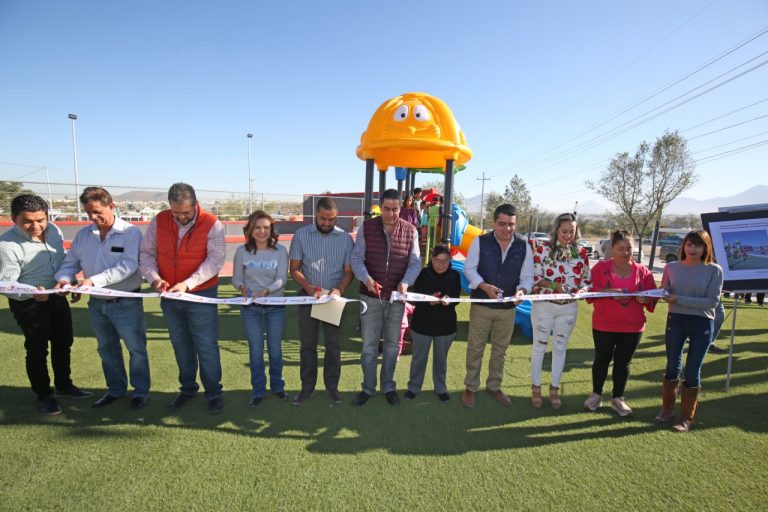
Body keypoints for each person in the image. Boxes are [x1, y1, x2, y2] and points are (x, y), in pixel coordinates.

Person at [54, 187, 150, 410]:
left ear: (111, 206)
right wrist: (64, 279)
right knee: (107, 348)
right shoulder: (84, 235)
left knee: (136, 349)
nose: (93, 218)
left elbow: (128, 266)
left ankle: (141, 392)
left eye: (97, 212)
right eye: (88, 213)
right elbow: (71, 262)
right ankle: (115, 390)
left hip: (126, 301)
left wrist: (92, 281)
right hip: (96, 303)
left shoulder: (131, 233)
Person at [0, 194, 92, 415]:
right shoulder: (6, 245)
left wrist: (68, 282)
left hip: (57, 296)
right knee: (37, 349)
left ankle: (64, 385)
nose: (36, 226)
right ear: (14, 219)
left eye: (41, 219)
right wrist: (31, 293)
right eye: (28, 221)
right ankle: (45, 395)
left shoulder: (54, 231)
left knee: (64, 342)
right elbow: (5, 283)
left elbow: (63, 262)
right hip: (29, 303)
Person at [139, 182, 226, 414]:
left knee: (206, 345)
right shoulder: (159, 220)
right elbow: (146, 254)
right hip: (169, 295)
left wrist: (188, 284)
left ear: (196, 204)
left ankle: (214, 392)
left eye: (186, 212)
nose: (181, 217)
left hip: (201, 294)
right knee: (180, 344)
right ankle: (187, 388)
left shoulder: (212, 224)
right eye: (176, 213)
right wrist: (155, 279)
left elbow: (215, 261)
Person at [351, 188, 421, 406]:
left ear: (401, 208)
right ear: (380, 208)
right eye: (387, 209)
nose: (391, 214)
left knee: (392, 344)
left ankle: (388, 386)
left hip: (396, 299)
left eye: (395, 209)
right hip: (370, 298)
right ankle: (368, 387)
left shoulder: (411, 231)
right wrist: (367, 279)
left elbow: (416, 262)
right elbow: (356, 258)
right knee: (369, 346)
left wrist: (405, 282)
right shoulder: (367, 228)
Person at [462, 204, 533, 408]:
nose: (507, 229)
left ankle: (494, 386)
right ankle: (470, 387)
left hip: (508, 309)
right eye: (502, 224)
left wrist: (523, 291)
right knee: (475, 348)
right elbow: (469, 269)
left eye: (511, 224)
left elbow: (527, 277)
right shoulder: (480, 241)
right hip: (481, 305)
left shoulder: (523, 246)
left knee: (500, 350)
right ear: (494, 222)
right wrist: (483, 286)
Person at [583, 230, 657, 417]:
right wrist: (608, 291)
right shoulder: (600, 268)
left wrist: (645, 299)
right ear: (612, 248)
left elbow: (654, 295)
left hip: (633, 326)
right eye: (620, 248)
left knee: (623, 362)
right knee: (602, 359)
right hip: (604, 324)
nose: (625, 252)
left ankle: (618, 399)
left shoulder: (643, 271)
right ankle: (596, 394)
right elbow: (589, 291)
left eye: (629, 248)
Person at [656, 230, 723, 432]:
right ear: (683, 246)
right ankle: (666, 410)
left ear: (706, 248)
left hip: (702, 323)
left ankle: (687, 418)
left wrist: (679, 299)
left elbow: (712, 302)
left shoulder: (714, 270)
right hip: (675, 319)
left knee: (693, 369)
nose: (693, 249)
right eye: (689, 244)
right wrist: (661, 295)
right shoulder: (671, 267)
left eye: (698, 245)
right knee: (672, 365)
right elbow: (664, 291)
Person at [289, 197, 354, 405]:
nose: (327, 223)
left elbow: (348, 272)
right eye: (323, 219)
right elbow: (294, 269)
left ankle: (332, 388)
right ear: (316, 215)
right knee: (307, 345)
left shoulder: (345, 239)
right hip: (308, 297)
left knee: (333, 345)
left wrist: (339, 289)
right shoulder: (301, 235)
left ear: (337, 217)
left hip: (332, 299)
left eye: (331, 219)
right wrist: (308, 287)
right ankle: (306, 388)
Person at [529, 213, 592, 410]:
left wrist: (584, 289)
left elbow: (587, 279)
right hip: (544, 306)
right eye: (564, 231)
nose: (568, 235)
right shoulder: (542, 249)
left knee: (560, 348)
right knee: (539, 347)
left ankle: (554, 389)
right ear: (556, 230)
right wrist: (553, 285)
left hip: (568, 309)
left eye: (572, 232)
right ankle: (536, 388)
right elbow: (533, 276)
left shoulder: (580, 252)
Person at [232, 211, 289, 407]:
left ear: (272, 229)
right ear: (250, 230)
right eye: (257, 227)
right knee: (255, 350)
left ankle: (277, 386)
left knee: (275, 350)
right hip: (250, 308)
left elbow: (282, 279)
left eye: (266, 227)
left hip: (275, 306)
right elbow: (236, 278)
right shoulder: (241, 251)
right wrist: (242, 288)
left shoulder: (280, 251)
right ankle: (258, 390)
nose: (262, 231)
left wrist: (266, 291)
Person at [405, 245, 461, 402]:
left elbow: (456, 298)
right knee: (419, 358)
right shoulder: (422, 273)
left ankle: (440, 387)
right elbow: (414, 297)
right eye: (437, 261)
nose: (441, 265)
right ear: (431, 259)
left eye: (445, 261)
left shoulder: (455, 275)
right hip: (422, 325)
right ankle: (413, 387)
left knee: (441, 360)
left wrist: (448, 301)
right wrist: (429, 301)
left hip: (446, 326)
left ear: (450, 261)